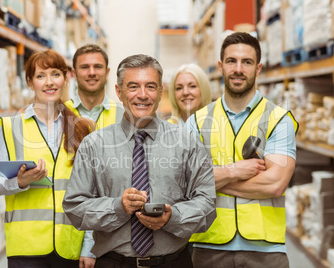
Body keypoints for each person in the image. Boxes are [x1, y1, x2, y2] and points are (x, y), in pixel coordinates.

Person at [63, 54, 217, 268]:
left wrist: (173, 217)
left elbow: (207, 204)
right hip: (113, 263)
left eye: (151, 87)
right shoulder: (94, 145)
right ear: (119, 91)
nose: (142, 95)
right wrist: (117, 207)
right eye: (133, 86)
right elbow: (74, 206)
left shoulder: (186, 142)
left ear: (161, 91)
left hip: (173, 262)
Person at [186, 32, 299, 268]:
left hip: (266, 249)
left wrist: (212, 180)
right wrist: (233, 171)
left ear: (258, 69)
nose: (238, 69)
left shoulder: (278, 119)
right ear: (220, 66)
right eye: (231, 61)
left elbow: (274, 184)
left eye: (246, 62)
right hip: (208, 244)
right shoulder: (197, 121)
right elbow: (184, 182)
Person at [0, 50, 96, 268]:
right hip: (26, 248)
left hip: (69, 247)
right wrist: (19, 182)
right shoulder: (10, 128)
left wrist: (89, 246)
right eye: (40, 76)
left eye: (56, 74)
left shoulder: (82, 128)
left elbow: (93, 192)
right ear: (30, 82)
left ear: (66, 79)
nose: (49, 82)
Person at [64, 44, 124, 129]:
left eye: (98, 67)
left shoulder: (123, 115)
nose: (92, 72)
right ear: (74, 74)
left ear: (107, 72)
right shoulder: (60, 113)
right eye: (84, 67)